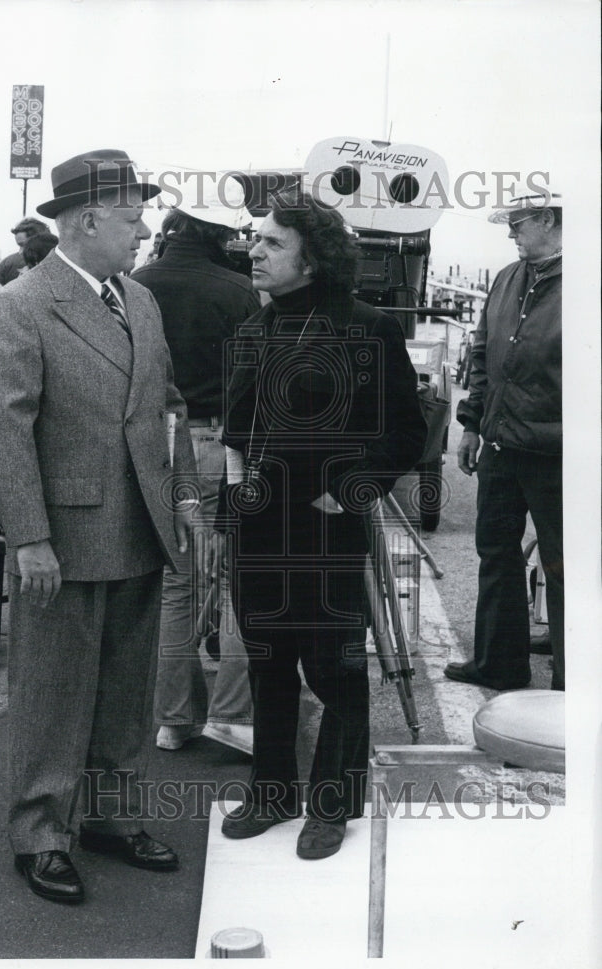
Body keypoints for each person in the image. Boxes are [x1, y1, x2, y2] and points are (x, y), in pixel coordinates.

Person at [0, 149, 196, 905]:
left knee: (126, 690)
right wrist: (29, 537)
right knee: (54, 692)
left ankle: (107, 816)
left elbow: (166, 410)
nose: (142, 231)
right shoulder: (21, 305)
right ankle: (40, 833)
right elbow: (0, 432)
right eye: (132, 218)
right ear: (87, 220)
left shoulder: (138, 300)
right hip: (63, 537)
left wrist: (184, 500)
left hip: (138, 527)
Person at [216, 191, 426, 859]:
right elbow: (235, 431)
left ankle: (330, 805)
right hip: (257, 524)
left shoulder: (367, 327)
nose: (254, 250)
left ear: (313, 260)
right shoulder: (255, 329)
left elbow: (404, 433)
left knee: (334, 672)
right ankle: (271, 791)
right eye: (255, 239)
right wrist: (230, 503)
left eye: (272, 243)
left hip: (325, 528)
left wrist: (351, 489)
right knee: (268, 663)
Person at [131, 174, 259, 756]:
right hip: (222, 444)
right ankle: (233, 716)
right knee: (238, 581)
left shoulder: (138, 283)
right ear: (223, 234)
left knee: (177, 585)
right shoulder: (237, 291)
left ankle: (174, 718)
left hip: (159, 442)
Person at [445, 190, 563, 692]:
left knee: (564, 567)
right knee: (496, 552)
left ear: (550, 219)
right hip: (500, 446)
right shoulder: (507, 278)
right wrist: (471, 423)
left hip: (560, 456)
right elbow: (480, 351)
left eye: (518, 223)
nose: (510, 232)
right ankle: (499, 661)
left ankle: (573, 684)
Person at [0, 216, 51, 287]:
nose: (22, 252)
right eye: (21, 246)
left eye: (27, 246)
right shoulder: (51, 260)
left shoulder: (6, 262)